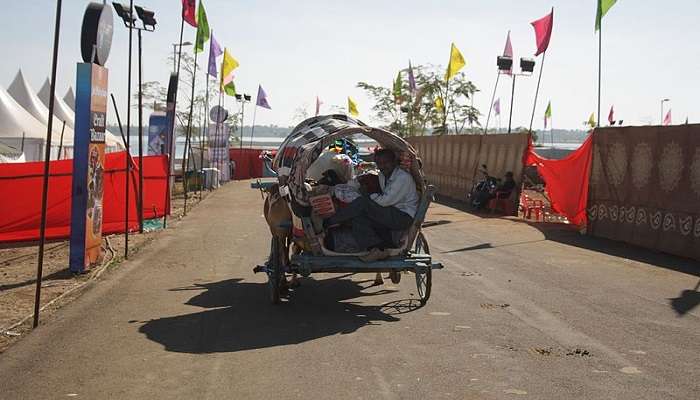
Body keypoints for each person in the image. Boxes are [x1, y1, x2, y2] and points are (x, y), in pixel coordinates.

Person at [325, 149, 419, 262]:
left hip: (402, 216)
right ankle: (379, 247)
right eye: (379, 163)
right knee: (358, 218)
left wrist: (368, 194)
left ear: (394, 162)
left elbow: (385, 201)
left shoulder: (402, 178)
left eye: (386, 162)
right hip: (390, 212)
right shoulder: (383, 175)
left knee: (363, 203)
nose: (383, 166)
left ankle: (328, 222)